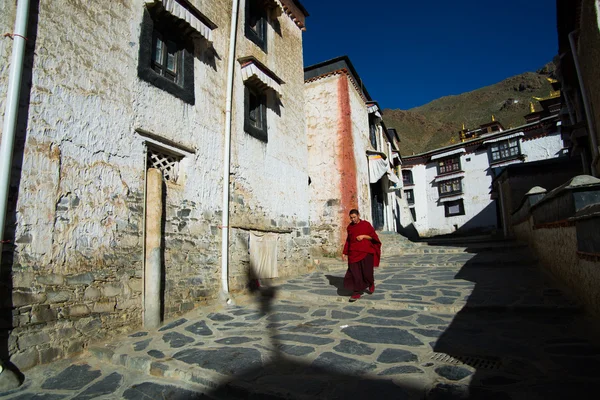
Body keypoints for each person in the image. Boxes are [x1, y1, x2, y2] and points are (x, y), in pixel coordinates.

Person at [341, 209, 381, 302]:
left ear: (358, 215)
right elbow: (348, 240)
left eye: (354, 217)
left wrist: (364, 236)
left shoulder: (366, 225)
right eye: (351, 218)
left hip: (366, 252)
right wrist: (344, 252)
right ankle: (356, 292)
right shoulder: (350, 227)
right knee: (355, 274)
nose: (353, 219)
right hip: (353, 253)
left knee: (367, 273)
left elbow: (373, 237)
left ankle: (370, 282)